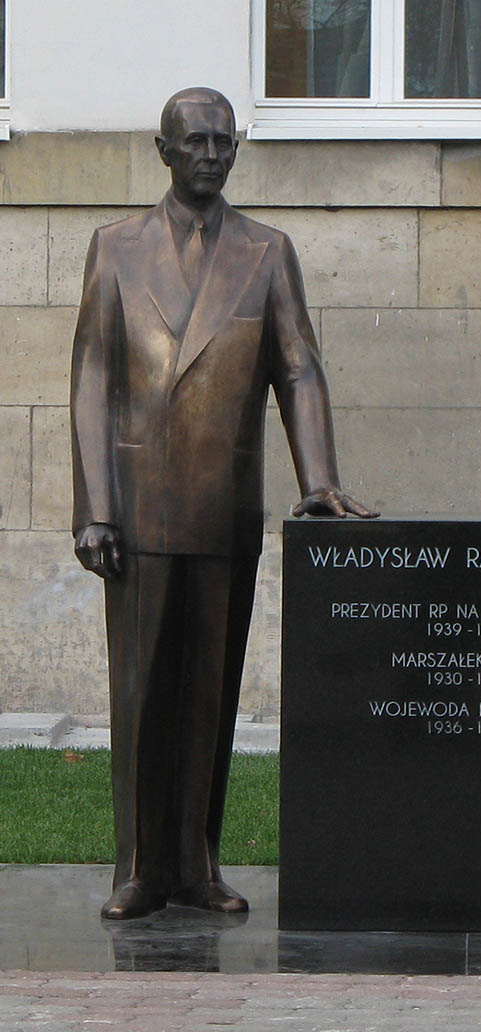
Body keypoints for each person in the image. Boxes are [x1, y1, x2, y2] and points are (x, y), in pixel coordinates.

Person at [70, 87, 377, 920]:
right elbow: (94, 378)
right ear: (163, 149)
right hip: (136, 510)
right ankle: (138, 868)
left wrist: (319, 482)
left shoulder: (267, 252)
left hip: (222, 509)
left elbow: (298, 367)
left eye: (224, 140)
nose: (212, 152)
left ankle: (198, 863)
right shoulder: (116, 249)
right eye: (195, 141)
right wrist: (94, 507)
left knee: (210, 694)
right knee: (138, 696)